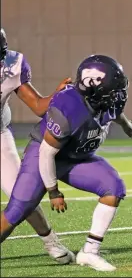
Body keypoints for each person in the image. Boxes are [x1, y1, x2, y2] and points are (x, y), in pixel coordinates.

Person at [0, 54, 132, 272]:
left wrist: (126, 123)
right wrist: (53, 191)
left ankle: (89, 252)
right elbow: (46, 153)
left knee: (114, 187)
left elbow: (114, 112)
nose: (119, 95)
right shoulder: (69, 107)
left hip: (75, 158)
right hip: (45, 156)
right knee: (17, 211)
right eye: (114, 90)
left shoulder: (105, 101)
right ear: (96, 89)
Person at [0, 27, 74, 264]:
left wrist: (57, 95)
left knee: (21, 195)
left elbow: (38, 106)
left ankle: (50, 240)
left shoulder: (11, 64)